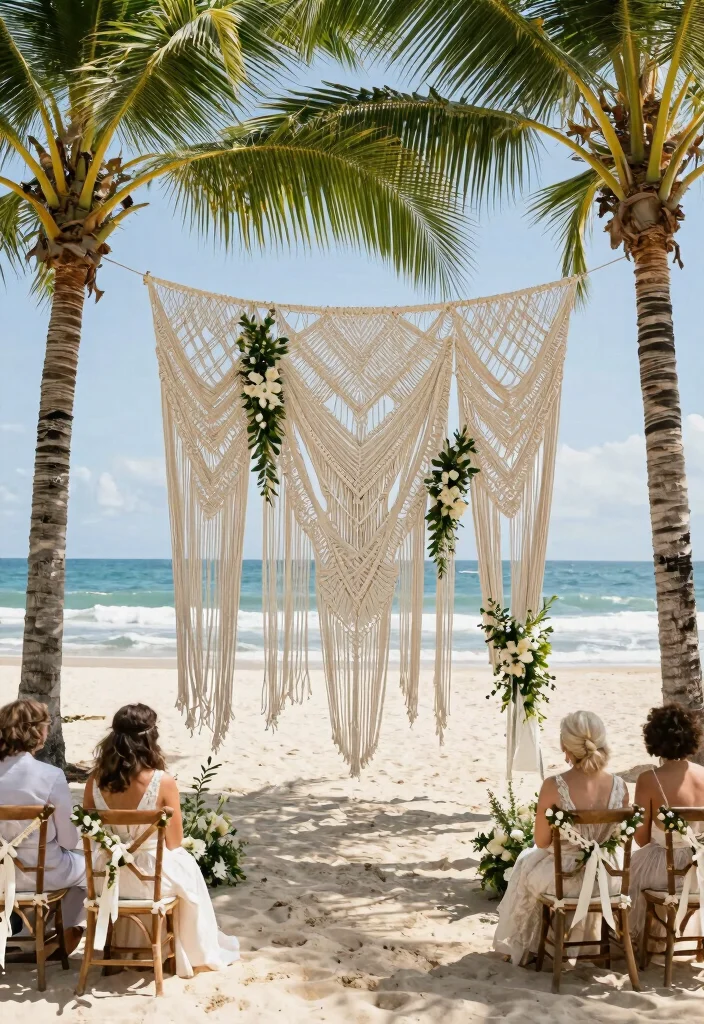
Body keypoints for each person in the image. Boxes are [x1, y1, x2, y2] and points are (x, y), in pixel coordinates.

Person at [83, 703, 239, 977]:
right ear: (150, 738)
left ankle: (124, 944)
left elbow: (89, 829)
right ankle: (189, 949)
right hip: (148, 880)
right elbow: (174, 841)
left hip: (106, 877)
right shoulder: (162, 781)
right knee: (185, 864)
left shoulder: (94, 780)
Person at [493, 710, 629, 965]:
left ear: (564, 745)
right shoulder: (620, 786)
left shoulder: (554, 785)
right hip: (609, 878)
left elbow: (543, 841)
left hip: (564, 879)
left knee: (527, 863)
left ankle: (537, 946)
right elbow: (617, 837)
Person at [0, 698, 85, 955]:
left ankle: (24, 933)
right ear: (36, 732)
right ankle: (63, 935)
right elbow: (68, 841)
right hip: (42, 874)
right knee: (91, 872)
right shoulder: (50, 776)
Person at [630, 703, 704, 944]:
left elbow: (640, 839)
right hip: (699, 870)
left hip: (664, 868)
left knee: (620, 881)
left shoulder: (649, 779)